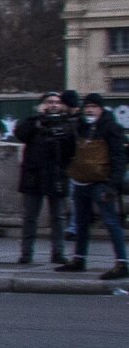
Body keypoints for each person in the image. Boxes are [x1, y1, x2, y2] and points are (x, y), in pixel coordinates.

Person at [62, 91, 128, 279]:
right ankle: (79, 258)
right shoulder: (81, 127)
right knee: (81, 222)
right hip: (81, 180)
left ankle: (122, 263)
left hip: (101, 182)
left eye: (93, 107)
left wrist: (112, 185)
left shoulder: (111, 128)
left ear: (101, 108)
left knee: (111, 222)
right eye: (87, 107)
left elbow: (119, 158)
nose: (89, 110)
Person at [15, 91, 75, 267]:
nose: (53, 105)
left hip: (56, 174)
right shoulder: (33, 122)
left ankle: (58, 252)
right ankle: (26, 253)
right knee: (30, 216)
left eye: (57, 102)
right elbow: (21, 134)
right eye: (50, 102)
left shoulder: (66, 124)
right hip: (34, 175)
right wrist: (38, 120)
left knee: (58, 217)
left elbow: (71, 149)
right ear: (42, 105)